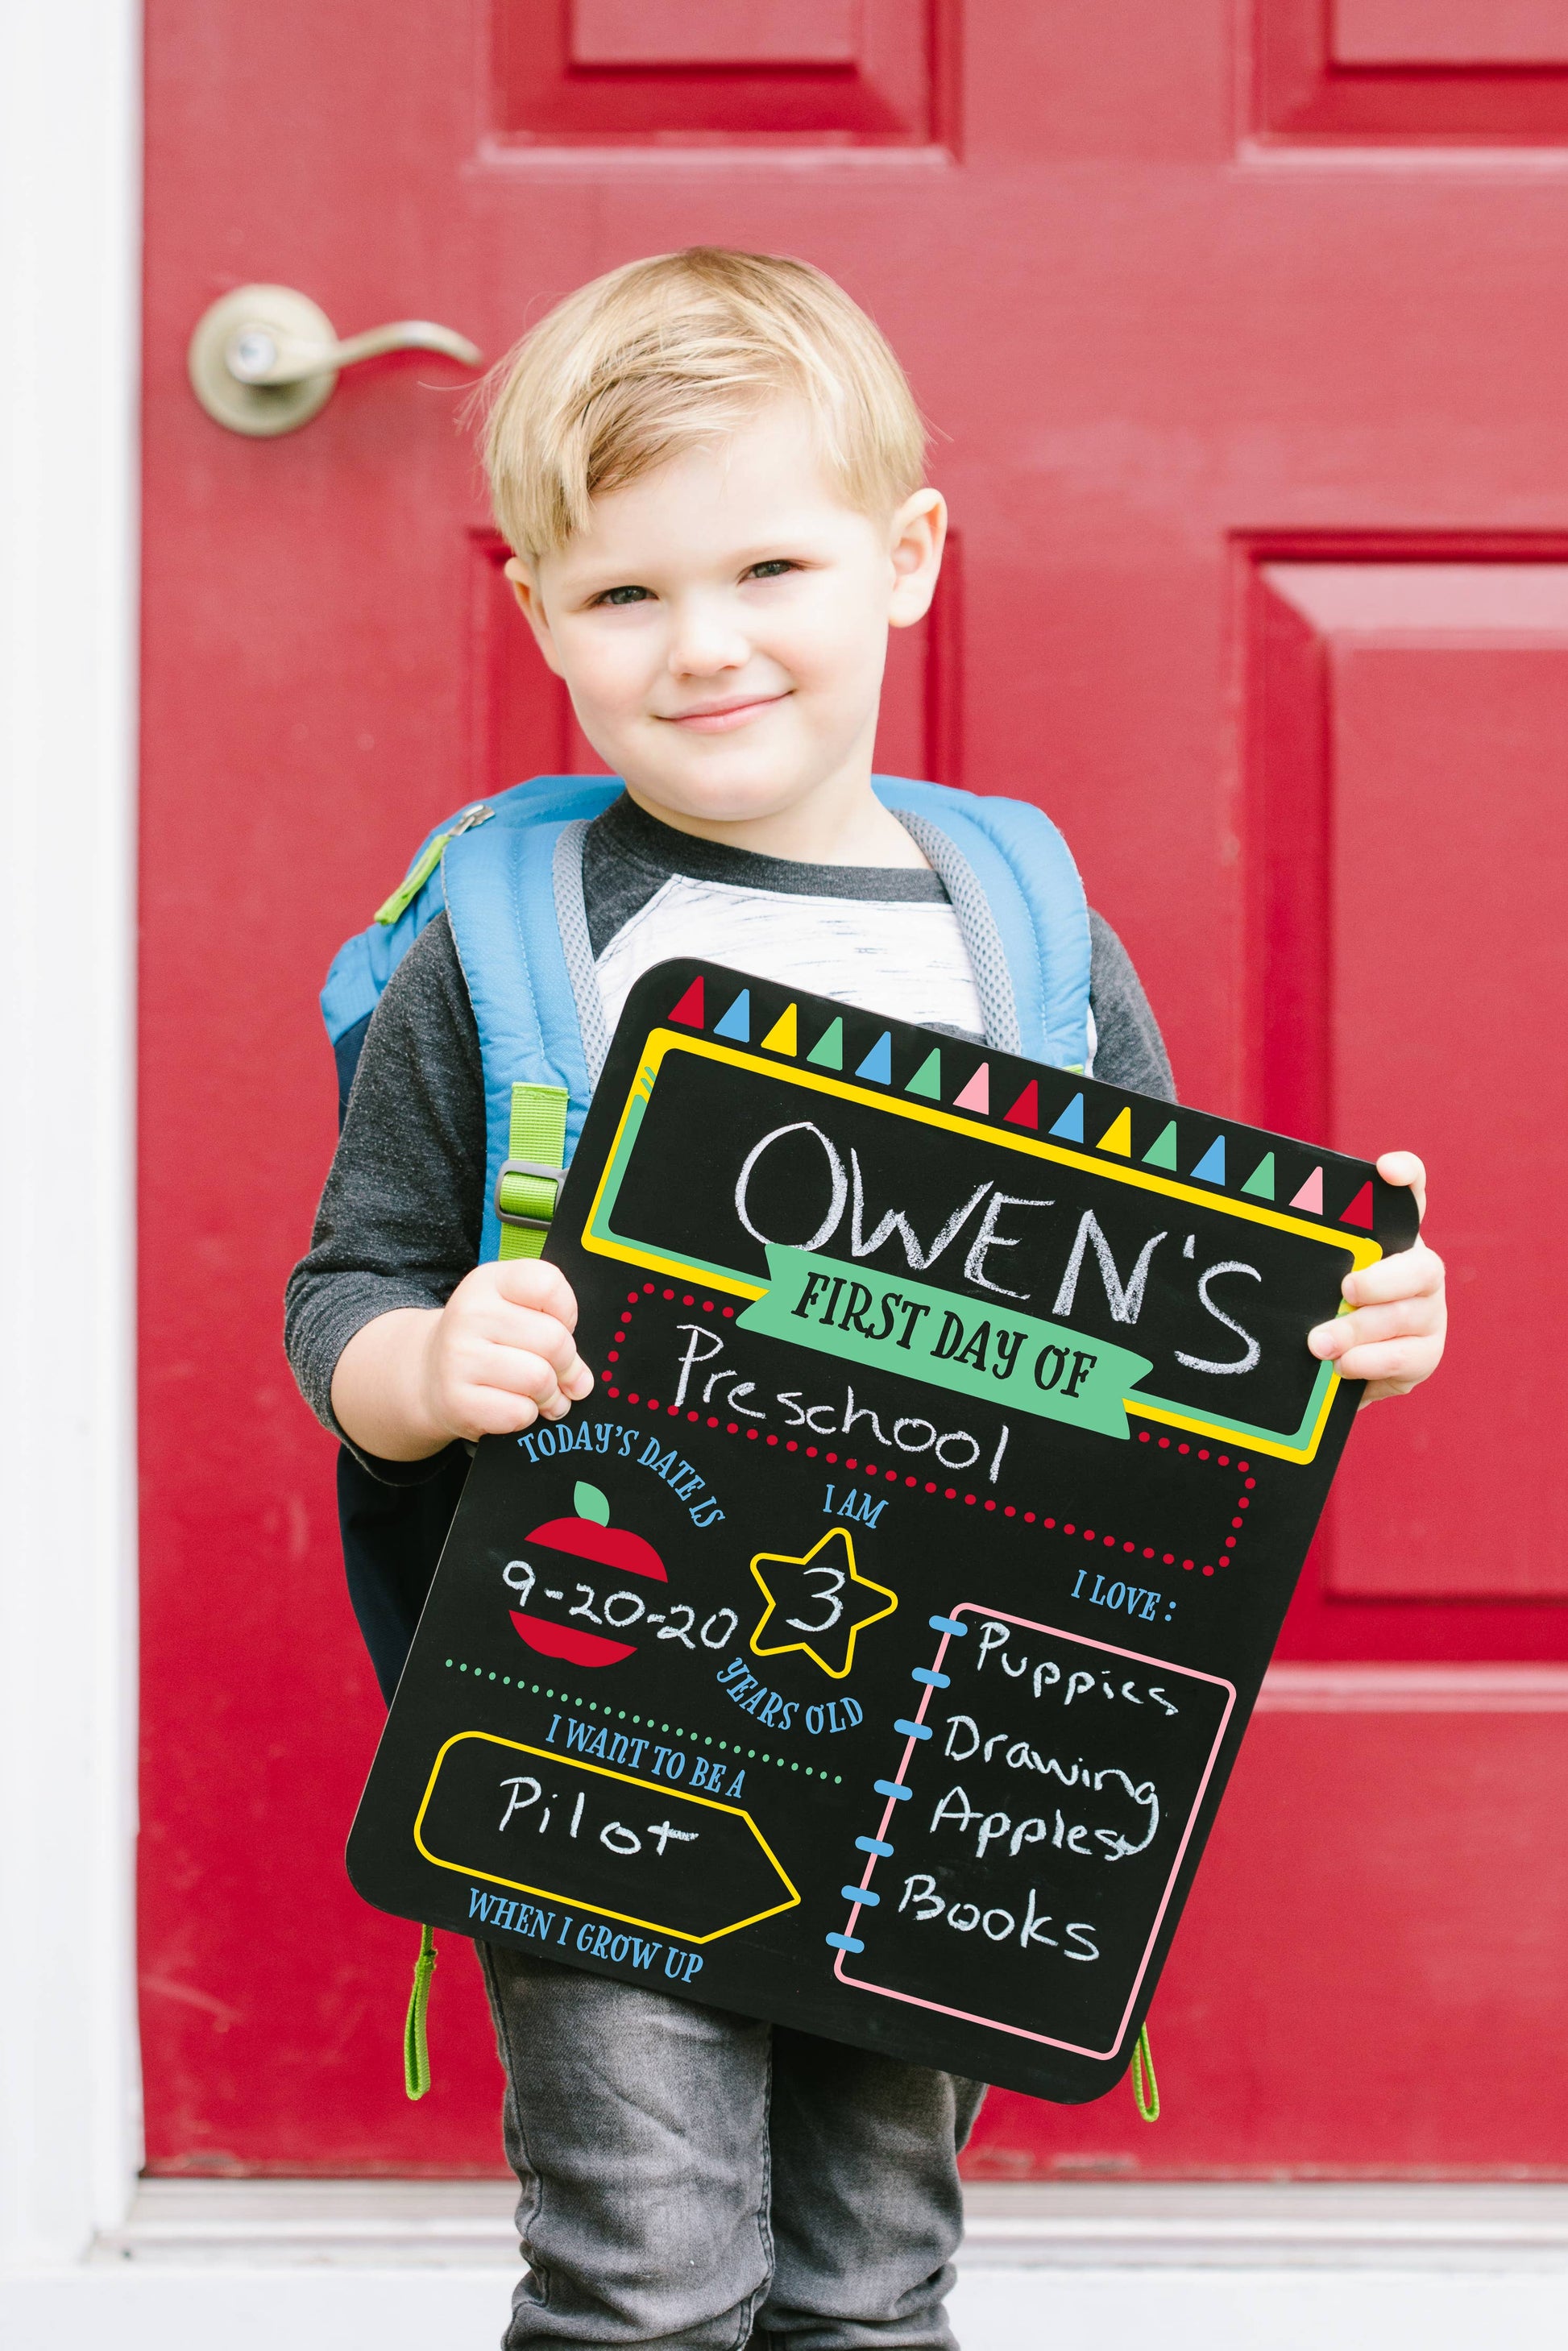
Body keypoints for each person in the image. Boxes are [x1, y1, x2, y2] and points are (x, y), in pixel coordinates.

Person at [285, 247, 1446, 2349]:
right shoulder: (513, 932)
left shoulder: (1020, 922)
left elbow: (1179, 1327)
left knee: (872, 2263)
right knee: (641, 2267)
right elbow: (347, 1285)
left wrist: (1340, 1322)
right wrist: (423, 1368)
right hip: (600, 1699)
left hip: (924, 1730)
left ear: (903, 560)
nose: (704, 645)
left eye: (767, 568)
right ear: (539, 612)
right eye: (625, 594)